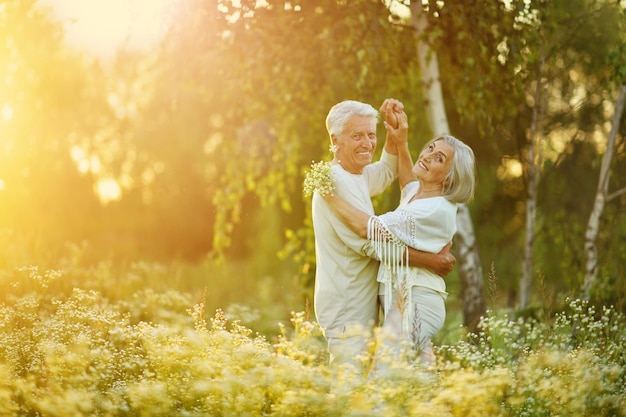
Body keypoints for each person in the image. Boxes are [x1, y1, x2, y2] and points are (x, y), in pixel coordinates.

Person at [322, 105, 476, 372]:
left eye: (439, 158)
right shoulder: (421, 195)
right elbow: (407, 183)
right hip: (403, 302)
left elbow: (368, 230)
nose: (427, 156)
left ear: (449, 177)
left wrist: (329, 195)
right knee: (412, 381)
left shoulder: (432, 208)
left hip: (415, 301)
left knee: (387, 383)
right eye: (429, 148)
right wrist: (400, 142)